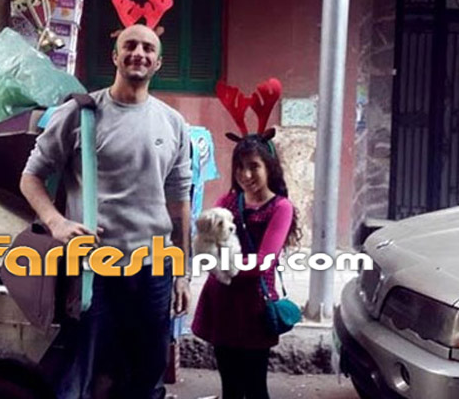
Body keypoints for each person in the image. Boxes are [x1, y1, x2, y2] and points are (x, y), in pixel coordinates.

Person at [19, 24, 192, 399]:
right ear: (115, 56)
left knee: (147, 375)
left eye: (148, 48)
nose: (138, 53)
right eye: (130, 45)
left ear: (158, 63)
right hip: (94, 268)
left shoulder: (173, 124)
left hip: (154, 269)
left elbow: (179, 203)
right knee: (85, 374)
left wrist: (182, 273)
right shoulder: (80, 113)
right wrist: (56, 222)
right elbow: (31, 176)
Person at [192, 132, 300, 399]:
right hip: (222, 302)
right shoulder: (227, 202)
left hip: (253, 306)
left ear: (269, 167)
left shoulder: (280, 208)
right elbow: (207, 244)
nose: (246, 174)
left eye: (254, 166)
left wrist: (224, 267)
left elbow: (264, 261)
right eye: (240, 167)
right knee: (229, 386)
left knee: (254, 387)